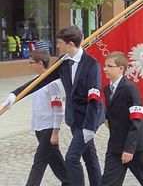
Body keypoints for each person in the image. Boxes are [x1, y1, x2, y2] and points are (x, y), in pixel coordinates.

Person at [1, 26, 104, 186]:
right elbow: (41, 80)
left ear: (70, 44)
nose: (57, 46)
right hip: (74, 118)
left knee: (72, 157)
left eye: (60, 43)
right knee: (90, 157)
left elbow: (94, 98)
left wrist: (89, 128)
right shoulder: (63, 62)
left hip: (88, 119)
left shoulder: (91, 64)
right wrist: (15, 94)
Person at [101, 52, 143, 186]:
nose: (105, 69)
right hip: (115, 146)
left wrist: (129, 149)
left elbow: (137, 120)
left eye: (109, 66)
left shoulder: (130, 89)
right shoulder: (107, 89)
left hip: (135, 146)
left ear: (121, 69)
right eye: (105, 66)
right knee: (108, 182)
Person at [24, 49, 69, 186]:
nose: (29, 65)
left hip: (49, 129)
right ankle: (69, 181)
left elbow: (58, 108)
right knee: (55, 161)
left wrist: (55, 131)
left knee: (39, 161)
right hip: (39, 128)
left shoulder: (52, 83)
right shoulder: (36, 81)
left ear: (40, 63)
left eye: (31, 62)